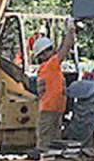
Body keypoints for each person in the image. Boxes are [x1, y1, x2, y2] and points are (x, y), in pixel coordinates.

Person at [32, 18, 76, 152]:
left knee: (53, 144)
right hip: (50, 110)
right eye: (50, 49)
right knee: (46, 145)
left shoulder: (47, 67)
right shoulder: (50, 65)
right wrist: (70, 29)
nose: (53, 51)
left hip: (52, 110)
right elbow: (66, 47)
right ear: (43, 54)